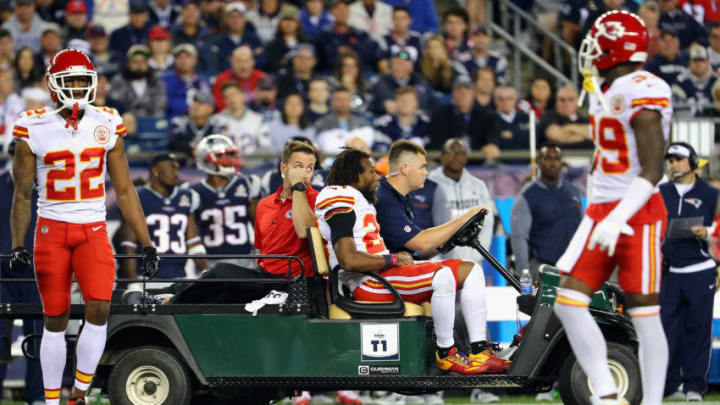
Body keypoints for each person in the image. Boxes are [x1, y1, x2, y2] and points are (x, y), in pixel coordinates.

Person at [9, 49, 159, 405]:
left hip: (93, 228)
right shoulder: (32, 124)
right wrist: (18, 244)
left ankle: (79, 392)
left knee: (100, 309)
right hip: (52, 229)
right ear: (53, 84)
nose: (76, 88)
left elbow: (124, 189)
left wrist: (146, 242)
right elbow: (22, 194)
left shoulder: (106, 119)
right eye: (70, 80)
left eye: (82, 80)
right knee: (55, 318)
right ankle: (49, 401)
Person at [554, 11, 672, 405]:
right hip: (603, 211)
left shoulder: (643, 86)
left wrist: (618, 215)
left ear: (614, 46)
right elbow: (602, 162)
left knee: (644, 312)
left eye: (597, 42)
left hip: (637, 212)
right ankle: (606, 395)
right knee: (568, 303)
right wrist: (593, 217)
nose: (590, 50)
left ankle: (652, 402)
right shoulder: (608, 89)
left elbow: (654, 167)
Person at [317, 145, 507, 376]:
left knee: (471, 270)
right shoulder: (340, 196)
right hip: (366, 282)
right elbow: (348, 259)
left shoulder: (360, 199)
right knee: (444, 277)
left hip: (380, 275)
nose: (377, 174)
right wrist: (392, 259)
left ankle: (479, 350)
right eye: (370, 171)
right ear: (355, 175)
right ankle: (447, 353)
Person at [658, 142, 720, 402]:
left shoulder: (711, 192)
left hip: (700, 269)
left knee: (698, 330)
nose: (673, 163)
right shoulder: (660, 191)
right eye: (670, 159)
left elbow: (718, 226)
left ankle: (695, 386)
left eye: (679, 159)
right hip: (670, 271)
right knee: (666, 331)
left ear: (692, 162)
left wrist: (707, 233)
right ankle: (670, 385)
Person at [0, 140, 43, 405]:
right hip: (1, 272)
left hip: (38, 273)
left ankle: (37, 396)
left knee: (39, 337)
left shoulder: (48, 190)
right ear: (12, 155)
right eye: (21, 155)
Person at [120, 153, 207, 281]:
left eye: (177, 168)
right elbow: (129, 245)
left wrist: (205, 271)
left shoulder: (186, 196)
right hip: (147, 278)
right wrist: (132, 283)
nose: (176, 174)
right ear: (155, 170)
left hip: (179, 276)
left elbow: (193, 242)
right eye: (171, 168)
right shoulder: (138, 197)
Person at [186, 135, 260, 270]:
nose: (229, 159)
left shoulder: (247, 184)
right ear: (206, 159)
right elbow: (191, 234)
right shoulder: (193, 192)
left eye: (231, 155)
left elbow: (260, 228)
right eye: (222, 155)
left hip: (245, 261)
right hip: (211, 264)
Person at [510, 144, 583, 279]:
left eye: (556, 158)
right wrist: (523, 275)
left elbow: (582, 229)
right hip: (543, 268)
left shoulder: (573, 191)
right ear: (538, 161)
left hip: (573, 267)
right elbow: (519, 237)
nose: (552, 163)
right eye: (547, 158)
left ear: (562, 162)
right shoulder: (527, 195)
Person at [428, 139, 495, 264]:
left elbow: (487, 223)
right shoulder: (429, 183)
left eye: (461, 153)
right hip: (438, 263)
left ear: (465, 157)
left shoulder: (478, 185)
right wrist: (434, 257)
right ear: (442, 156)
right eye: (451, 152)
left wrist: (476, 255)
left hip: (472, 261)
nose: (456, 157)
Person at [428, 77, 500, 160]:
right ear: (453, 93)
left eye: (467, 89)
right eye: (459, 90)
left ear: (473, 93)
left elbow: (493, 132)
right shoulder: (440, 115)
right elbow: (436, 141)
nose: (463, 93)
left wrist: (492, 144)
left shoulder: (487, 114)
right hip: (449, 163)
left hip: (478, 164)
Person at [373, 86, 430, 152]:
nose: (405, 103)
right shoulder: (384, 124)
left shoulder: (425, 123)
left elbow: (431, 149)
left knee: (417, 141)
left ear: (416, 103)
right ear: (395, 103)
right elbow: (381, 150)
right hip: (392, 160)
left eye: (409, 100)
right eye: (401, 100)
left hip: (422, 161)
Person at [212, 46, 267, 112]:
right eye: (238, 62)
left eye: (246, 61)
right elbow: (219, 105)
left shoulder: (262, 77)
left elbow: (269, 102)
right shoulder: (222, 79)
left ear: (253, 62)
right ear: (231, 63)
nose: (243, 66)